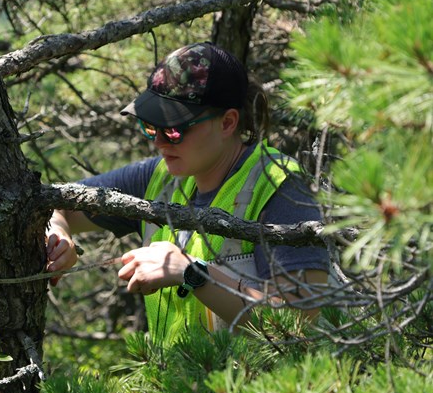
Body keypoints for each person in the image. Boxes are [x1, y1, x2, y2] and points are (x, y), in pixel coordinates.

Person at [46, 42, 329, 343]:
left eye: (174, 130)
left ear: (228, 122)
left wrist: (193, 273)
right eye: (150, 126)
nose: (159, 142)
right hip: (176, 388)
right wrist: (59, 233)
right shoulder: (156, 178)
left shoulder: (279, 186)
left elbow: (299, 326)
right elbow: (53, 204)